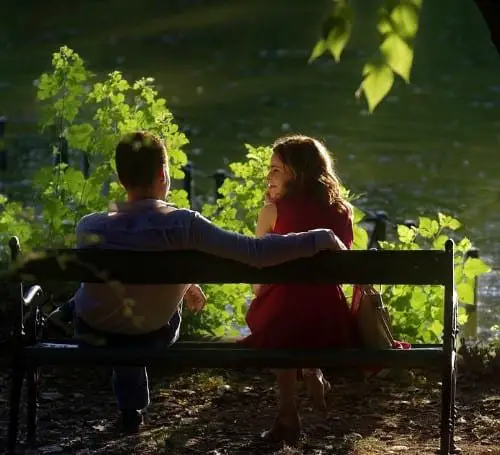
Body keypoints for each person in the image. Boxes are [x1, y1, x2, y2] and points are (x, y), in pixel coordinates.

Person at [68, 131, 346, 434]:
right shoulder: (183, 224)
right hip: (151, 331)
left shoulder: (89, 226)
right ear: (163, 174)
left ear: (121, 179)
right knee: (138, 313)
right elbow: (256, 253)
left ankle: (128, 406)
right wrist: (319, 237)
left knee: (113, 300)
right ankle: (131, 403)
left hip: (92, 331)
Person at [241, 134, 358, 443]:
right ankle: (312, 368)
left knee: (279, 308)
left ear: (297, 172)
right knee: (306, 301)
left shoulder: (273, 212)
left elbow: (257, 282)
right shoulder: (343, 211)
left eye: (276, 169)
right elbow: (340, 272)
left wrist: (270, 211)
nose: (268, 176)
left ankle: (288, 413)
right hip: (329, 322)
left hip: (284, 323)